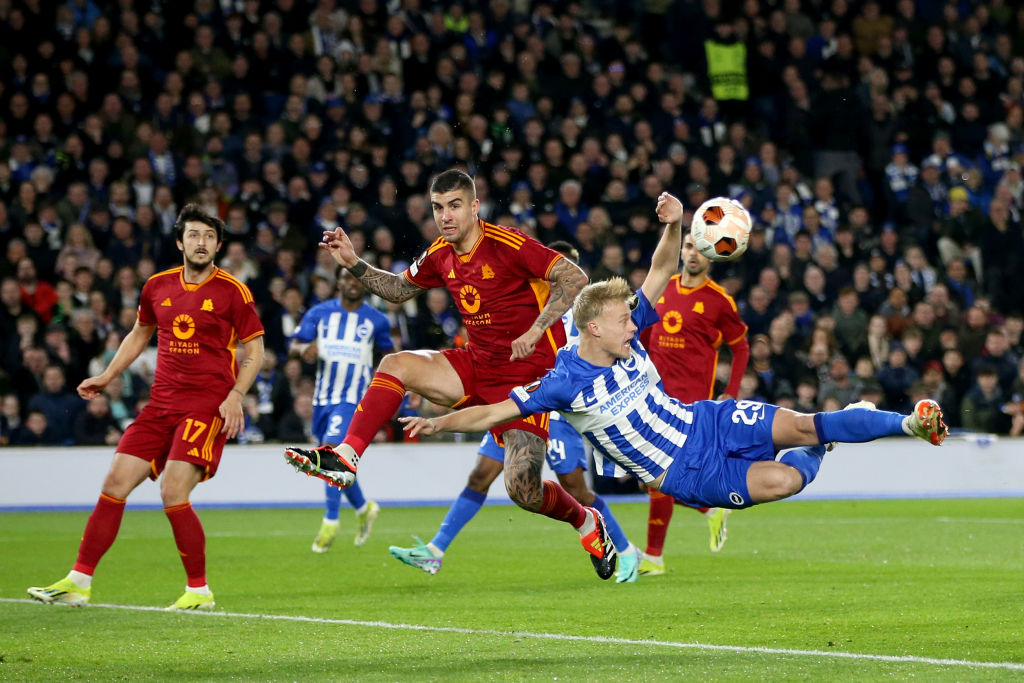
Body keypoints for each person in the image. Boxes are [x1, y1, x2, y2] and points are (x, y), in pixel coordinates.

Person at [399, 193, 948, 527]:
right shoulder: (563, 379)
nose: (636, 323)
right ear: (593, 327)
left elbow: (659, 272)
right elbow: (491, 413)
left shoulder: (627, 335)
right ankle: (821, 449)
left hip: (705, 418)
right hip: (685, 471)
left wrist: (674, 222)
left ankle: (908, 422)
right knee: (786, 480)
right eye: (623, 318)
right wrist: (439, 420)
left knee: (803, 423)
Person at [280, 169, 621, 579]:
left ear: (475, 207)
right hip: (475, 366)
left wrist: (536, 330)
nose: (445, 215)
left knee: (522, 490)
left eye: (455, 205)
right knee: (395, 364)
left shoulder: (508, 243)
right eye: (439, 207)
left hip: (527, 380)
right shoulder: (440, 252)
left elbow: (575, 277)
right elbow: (399, 290)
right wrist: (353, 262)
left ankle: (587, 522)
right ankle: (346, 456)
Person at [28, 204, 265, 610]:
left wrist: (236, 395)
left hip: (206, 405)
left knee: (173, 490)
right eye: (194, 235)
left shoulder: (233, 291)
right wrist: (107, 374)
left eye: (209, 236)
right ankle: (78, 581)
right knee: (114, 483)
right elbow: (140, 333)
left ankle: (198, 591)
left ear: (219, 245)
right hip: (160, 403)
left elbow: (255, 352)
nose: (201, 242)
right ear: (180, 242)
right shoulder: (156, 286)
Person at [387, 242, 639, 583]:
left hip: (560, 408)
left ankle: (625, 551)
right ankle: (436, 550)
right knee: (482, 474)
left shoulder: (587, 316)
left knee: (575, 488)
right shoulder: (524, 301)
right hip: (521, 400)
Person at [637, 231, 751, 575]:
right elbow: (641, 334)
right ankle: (710, 509)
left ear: (712, 258)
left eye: (701, 249)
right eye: (688, 246)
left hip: (689, 403)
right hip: (652, 397)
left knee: (657, 475)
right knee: (652, 477)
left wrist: (730, 390)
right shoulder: (661, 287)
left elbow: (741, 347)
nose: (693, 254)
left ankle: (653, 557)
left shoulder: (719, 301)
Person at [289, 268, 393, 553]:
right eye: (346, 278)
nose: (352, 284)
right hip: (322, 400)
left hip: (353, 399)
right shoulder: (320, 313)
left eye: (357, 279)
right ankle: (363, 508)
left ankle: (330, 521)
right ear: (339, 283)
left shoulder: (377, 320)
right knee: (334, 462)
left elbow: (389, 356)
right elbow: (295, 344)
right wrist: (303, 350)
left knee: (332, 453)